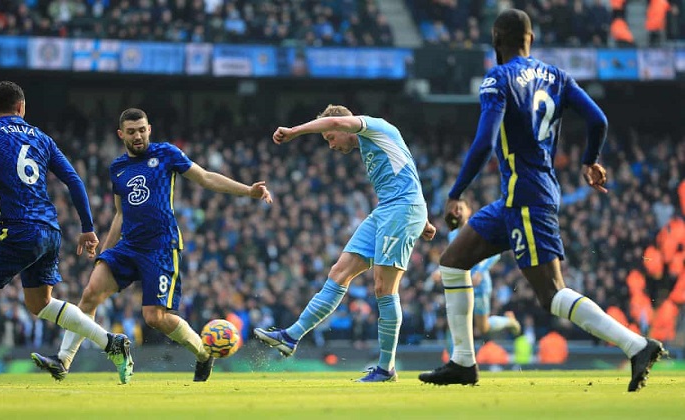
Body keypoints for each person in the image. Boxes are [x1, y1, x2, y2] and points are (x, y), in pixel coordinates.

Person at [418, 9, 665, 392]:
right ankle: (463, 362)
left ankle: (637, 345)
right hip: (518, 197)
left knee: (551, 293)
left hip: (527, 197)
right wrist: (589, 161)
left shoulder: (498, 78)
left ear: (497, 40)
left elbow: (485, 142)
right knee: (453, 263)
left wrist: (455, 192)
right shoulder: (558, 77)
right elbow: (597, 119)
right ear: (530, 39)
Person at [31, 108, 273, 382]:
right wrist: (106, 252)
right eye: (132, 131)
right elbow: (120, 214)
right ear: (121, 134)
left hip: (160, 248)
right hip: (128, 247)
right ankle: (63, 361)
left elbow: (205, 177)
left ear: (150, 129)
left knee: (155, 317)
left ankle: (203, 355)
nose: (138, 136)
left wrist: (247, 191)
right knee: (90, 294)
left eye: (142, 129)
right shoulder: (118, 168)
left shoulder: (166, 154)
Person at [254, 104, 437, 382]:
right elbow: (405, 168)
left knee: (383, 288)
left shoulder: (374, 126)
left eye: (329, 138)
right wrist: (423, 221)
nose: (331, 146)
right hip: (388, 209)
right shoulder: (369, 144)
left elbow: (340, 124)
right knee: (339, 272)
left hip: (401, 208)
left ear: (341, 124)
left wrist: (294, 131)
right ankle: (291, 336)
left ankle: (386, 368)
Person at [0, 81, 133, 383]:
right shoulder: (41, 138)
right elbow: (75, 180)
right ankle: (112, 343)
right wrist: (87, 228)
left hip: (19, 228)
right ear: (21, 108)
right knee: (40, 304)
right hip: (50, 232)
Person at [446, 199, 520, 338]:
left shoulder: (478, 229)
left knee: (483, 327)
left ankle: (508, 321)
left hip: (480, 285)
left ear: (469, 211)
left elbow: (495, 253)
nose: (458, 212)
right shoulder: (452, 234)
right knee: (455, 322)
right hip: (462, 283)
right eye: (455, 210)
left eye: (461, 209)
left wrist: (480, 272)